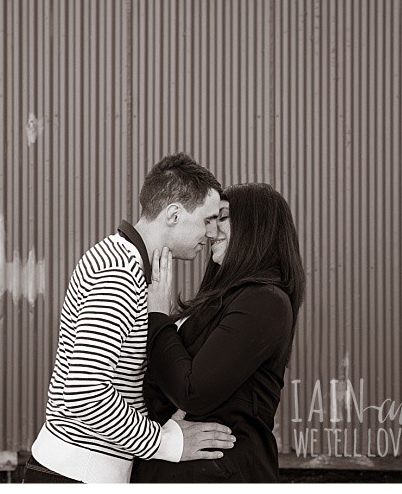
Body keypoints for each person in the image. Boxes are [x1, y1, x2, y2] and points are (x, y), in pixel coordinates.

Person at [24, 153, 237, 483]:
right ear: (174, 214)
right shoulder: (119, 271)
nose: (211, 233)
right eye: (207, 219)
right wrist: (165, 442)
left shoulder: (124, 260)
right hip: (77, 475)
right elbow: (86, 392)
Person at [130, 182, 306, 482]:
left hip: (221, 473)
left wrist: (158, 317)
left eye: (222, 218)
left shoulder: (265, 301)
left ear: (255, 227)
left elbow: (192, 390)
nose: (210, 231)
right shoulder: (226, 300)